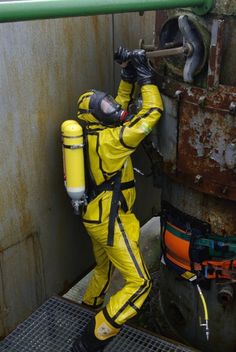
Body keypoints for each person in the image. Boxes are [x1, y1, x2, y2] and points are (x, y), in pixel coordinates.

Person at [71, 47, 163, 352]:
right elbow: (152, 114)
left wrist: (127, 74)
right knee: (140, 284)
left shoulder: (93, 132)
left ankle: (84, 310)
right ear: (96, 117)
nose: (113, 108)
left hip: (94, 217)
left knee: (103, 270)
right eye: (106, 107)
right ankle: (92, 338)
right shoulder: (113, 142)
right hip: (111, 221)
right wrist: (147, 79)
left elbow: (120, 108)